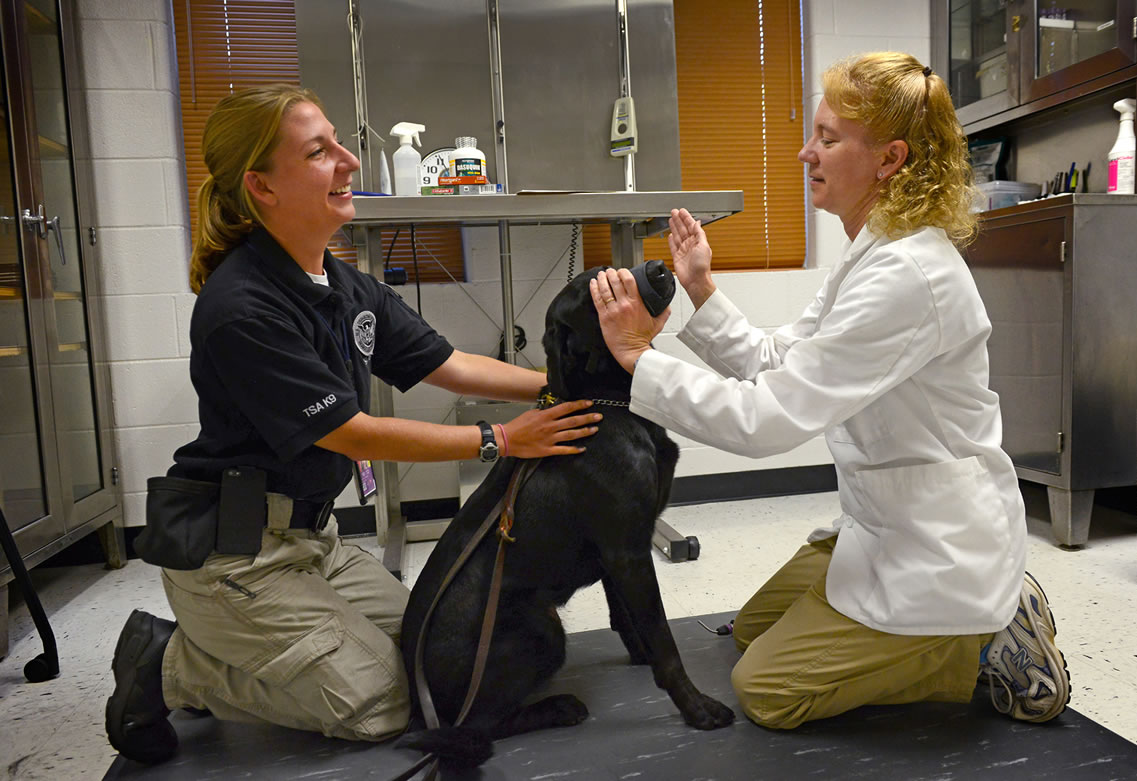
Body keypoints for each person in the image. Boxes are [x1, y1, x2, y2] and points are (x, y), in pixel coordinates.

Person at [105, 84, 601, 765]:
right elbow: (353, 433)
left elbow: (447, 364)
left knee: (451, 661)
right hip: (236, 557)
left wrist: (562, 385)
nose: (348, 162)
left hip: (316, 544)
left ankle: (255, 648)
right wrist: (503, 438)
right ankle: (170, 662)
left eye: (340, 143)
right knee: (383, 705)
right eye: (319, 152)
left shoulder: (340, 283)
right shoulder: (241, 306)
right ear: (262, 186)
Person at [589, 52, 1070, 729]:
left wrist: (639, 359)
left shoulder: (907, 275)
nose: (803, 150)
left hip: (940, 554)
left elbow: (765, 420)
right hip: (887, 527)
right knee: (755, 627)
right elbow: (777, 358)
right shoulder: (875, 252)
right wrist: (699, 283)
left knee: (768, 689)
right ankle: (963, 621)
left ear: (888, 158)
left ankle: (984, 644)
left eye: (828, 137)